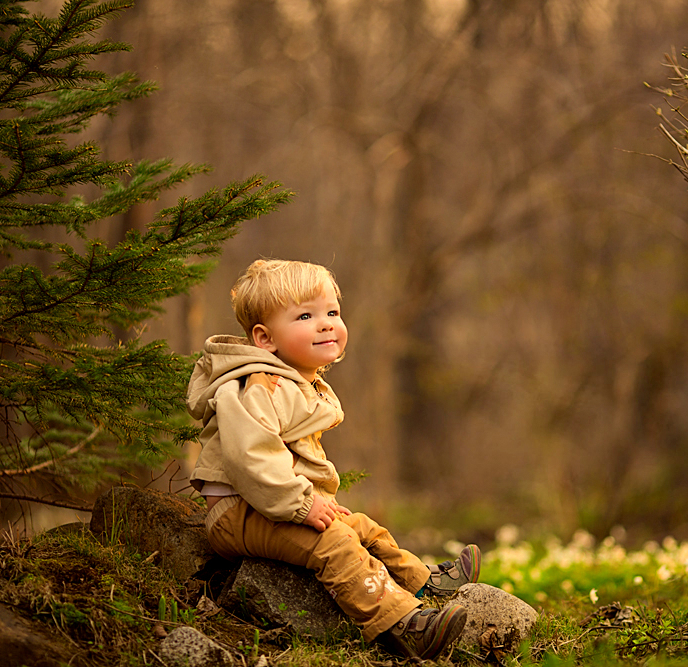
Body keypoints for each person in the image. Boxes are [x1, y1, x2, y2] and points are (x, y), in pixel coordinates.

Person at [187, 258, 480, 660]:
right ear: (265, 338)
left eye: (332, 312)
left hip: (269, 505)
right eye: (305, 316)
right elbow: (250, 457)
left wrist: (308, 500)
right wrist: (302, 504)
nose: (326, 323)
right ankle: (401, 626)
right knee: (335, 542)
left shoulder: (293, 379)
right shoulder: (257, 385)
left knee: (363, 527)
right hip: (238, 514)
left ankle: (422, 581)